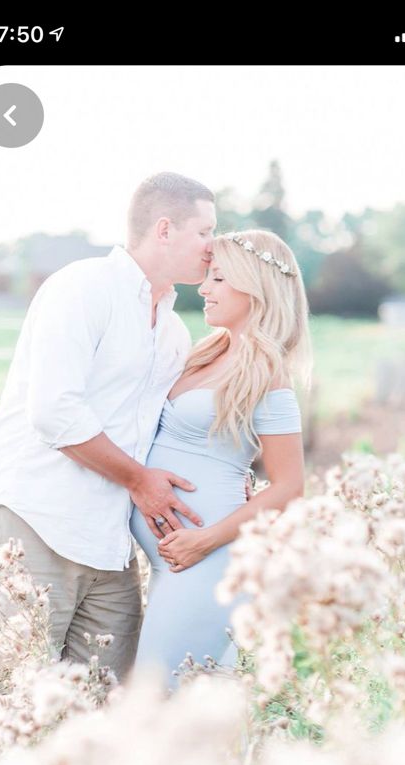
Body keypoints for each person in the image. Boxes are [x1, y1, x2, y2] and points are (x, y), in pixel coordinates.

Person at [0, 172, 218, 679]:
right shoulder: (82, 288)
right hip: (33, 522)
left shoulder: (173, 330)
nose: (213, 248)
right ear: (164, 229)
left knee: (98, 720)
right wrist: (138, 481)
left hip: (109, 547)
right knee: (5, 703)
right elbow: (54, 411)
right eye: (205, 232)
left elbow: (167, 432)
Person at [131, 228, 311, 686]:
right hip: (174, 560)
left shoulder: (270, 374)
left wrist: (206, 539)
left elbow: (291, 486)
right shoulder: (205, 353)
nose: (204, 289)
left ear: (256, 287)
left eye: (218, 279)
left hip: (208, 559)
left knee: (156, 698)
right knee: (174, 701)